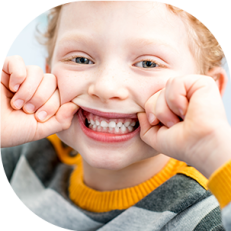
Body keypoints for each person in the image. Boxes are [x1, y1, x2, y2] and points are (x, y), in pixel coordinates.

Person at [1, 1, 231, 230]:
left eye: (148, 63)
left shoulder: (204, 214)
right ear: (49, 73)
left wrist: (214, 151)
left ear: (206, 89)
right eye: (81, 59)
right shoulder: (23, 155)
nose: (105, 88)